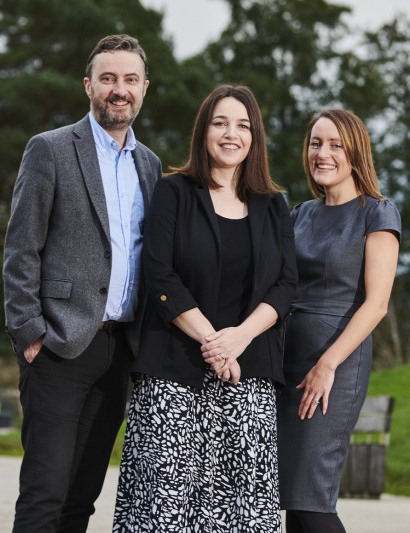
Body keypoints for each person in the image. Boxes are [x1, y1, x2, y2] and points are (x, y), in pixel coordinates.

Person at [113, 85, 297, 532]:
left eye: (242, 125)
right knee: (165, 509)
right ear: (204, 131)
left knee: (243, 513)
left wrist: (239, 338)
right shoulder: (173, 191)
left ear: (254, 138)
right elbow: (159, 274)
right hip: (172, 376)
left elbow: (286, 284)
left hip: (249, 380)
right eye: (220, 123)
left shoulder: (274, 205)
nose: (231, 134)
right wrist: (214, 342)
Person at [2, 34, 162, 532]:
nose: (120, 89)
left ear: (144, 88)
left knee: (81, 499)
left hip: (120, 352)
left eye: (130, 80)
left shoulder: (150, 165)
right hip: (58, 346)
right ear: (88, 85)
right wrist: (29, 332)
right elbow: (20, 247)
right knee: (45, 494)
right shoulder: (49, 150)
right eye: (109, 78)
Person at [276, 109, 401, 532]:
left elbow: (377, 303)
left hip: (334, 365)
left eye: (334, 144)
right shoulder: (300, 214)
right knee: (293, 497)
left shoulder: (377, 213)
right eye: (315, 143)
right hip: (287, 360)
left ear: (355, 152)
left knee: (311, 499)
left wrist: (327, 364)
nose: (322, 153)